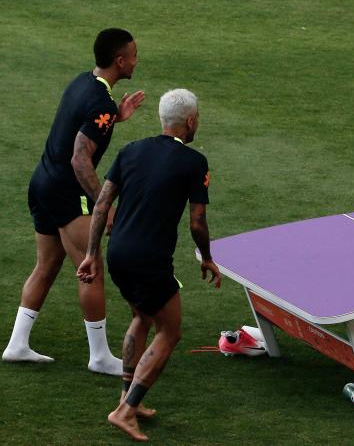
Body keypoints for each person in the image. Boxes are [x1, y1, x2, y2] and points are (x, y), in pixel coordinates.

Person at [77, 88, 221, 442]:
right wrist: (208, 258)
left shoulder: (130, 151)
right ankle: (125, 411)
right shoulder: (194, 162)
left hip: (118, 254)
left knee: (142, 317)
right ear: (190, 121)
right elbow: (197, 223)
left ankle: (128, 399)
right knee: (170, 331)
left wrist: (91, 254)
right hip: (149, 260)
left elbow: (101, 206)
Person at [3, 28, 145, 374]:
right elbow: (80, 159)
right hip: (66, 193)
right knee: (90, 268)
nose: (136, 61)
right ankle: (99, 357)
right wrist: (102, 204)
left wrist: (115, 117)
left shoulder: (85, 83)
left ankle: (17, 345)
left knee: (47, 265)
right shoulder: (100, 101)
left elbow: (78, 129)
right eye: (133, 55)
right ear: (120, 60)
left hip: (42, 183)